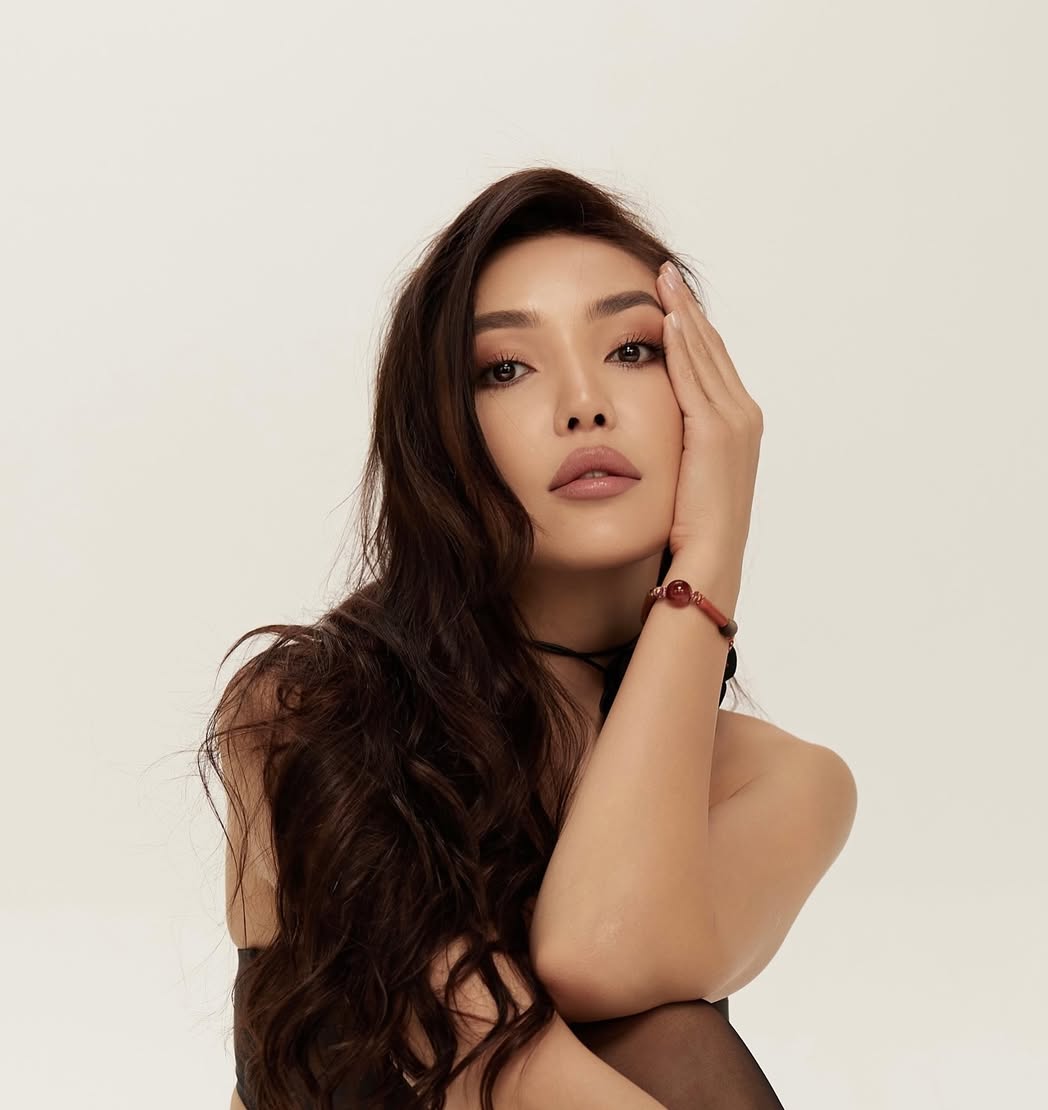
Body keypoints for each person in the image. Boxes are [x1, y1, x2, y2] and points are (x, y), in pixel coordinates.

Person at [200, 166, 794, 1109]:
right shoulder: (312, 714)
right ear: (443, 437)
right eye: (506, 369)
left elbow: (601, 956)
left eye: (632, 350)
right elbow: (499, 1068)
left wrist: (712, 557)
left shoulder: (778, 785)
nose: (584, 404)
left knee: (661, 1029)